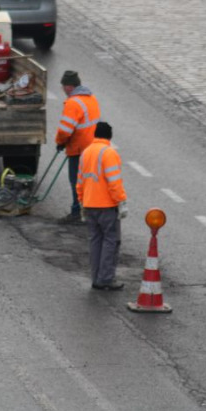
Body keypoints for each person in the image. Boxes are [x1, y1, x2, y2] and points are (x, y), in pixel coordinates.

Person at [76, 121, 128, 291]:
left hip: (90, 205)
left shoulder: (86, 153)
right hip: (106, 206)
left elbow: (80, 182)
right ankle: (106, 279)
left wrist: (82, 202)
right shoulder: (109, 153)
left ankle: (96, 278)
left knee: (95, 242)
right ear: (109, 137)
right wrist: (121, 201)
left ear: (95, 135)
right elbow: (114, 182)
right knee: (111, 242)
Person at [55, 71, 101, 223]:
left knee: (76, 182)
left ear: (69, 86)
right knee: (89, 182)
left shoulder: (73, 103)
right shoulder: (91, 98)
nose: (62, 89)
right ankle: (90, 213)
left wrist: (60, 142)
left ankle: (77, 213)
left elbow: (65, 130)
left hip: (79, 149)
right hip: (93, 147)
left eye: (63, 86)